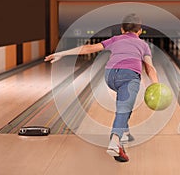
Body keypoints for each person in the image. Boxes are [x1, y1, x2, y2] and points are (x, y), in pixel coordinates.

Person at [45, 13, 158, 162]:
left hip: (110, 75)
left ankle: (124, 132)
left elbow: (88, 48)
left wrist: (61, 53)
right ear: (140, 31)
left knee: (125, 103)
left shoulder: (115, 39)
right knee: (124, 106)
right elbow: (150, 69)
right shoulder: (143, 45)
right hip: (129, 76)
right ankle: (115, 141)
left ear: (122, 30)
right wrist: (156, 86)